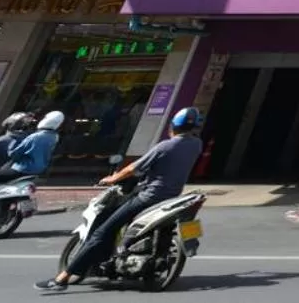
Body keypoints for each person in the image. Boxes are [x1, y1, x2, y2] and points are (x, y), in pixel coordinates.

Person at [37, 108, 203, 293]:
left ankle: (62, 278)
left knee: (102, 231)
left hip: (148, 197)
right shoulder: (196, 144)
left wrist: (113, 178)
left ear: (172, 125)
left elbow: (133, 168)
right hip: (170, 197)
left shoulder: (165, 146)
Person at [0, 109, 61, 214]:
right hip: (38, 169)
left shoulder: (34, 137)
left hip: (22, 169)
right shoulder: (54, 137)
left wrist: (11, 143)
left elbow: (14, 154)